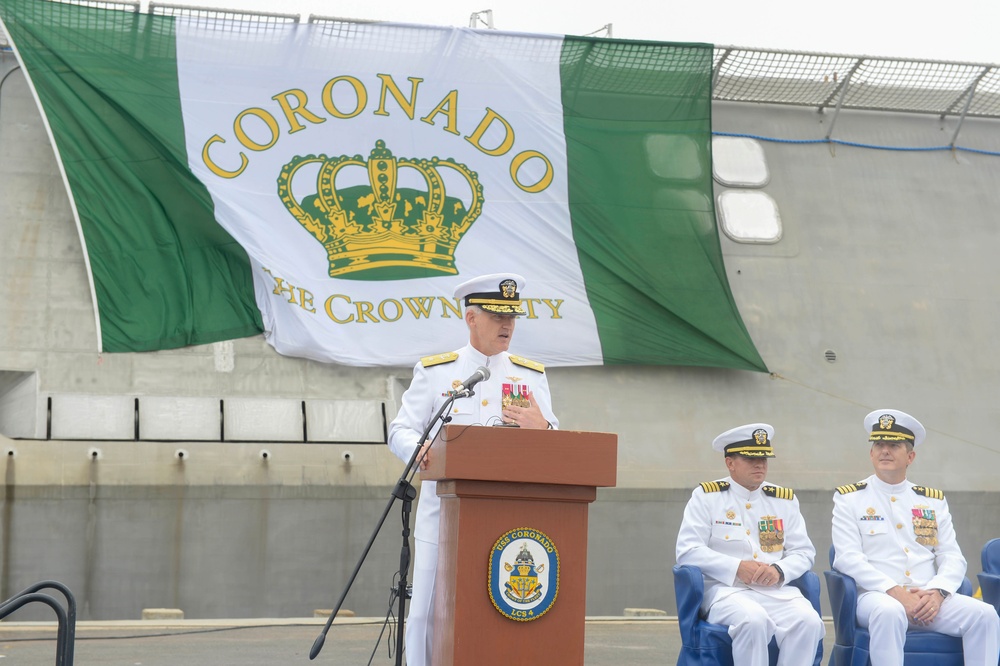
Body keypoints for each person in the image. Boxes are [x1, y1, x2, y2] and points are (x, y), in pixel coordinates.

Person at [387, 273, 558, 666]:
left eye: (512, 316)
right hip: (440, 516)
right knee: (426, 615)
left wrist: (544, 428)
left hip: (506, 522)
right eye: (498, 316)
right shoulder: (436, 372)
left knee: (494, 612)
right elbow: (400, 428)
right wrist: (419, 448)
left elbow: (557, 445)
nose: (508, 325)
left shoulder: (530, 376)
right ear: (471, 318)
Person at [831, 408, 1000, 665]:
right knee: (889, 613)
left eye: (894, 445)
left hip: (927, 597)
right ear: (871, 453)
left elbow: (952, 556)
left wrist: (938, 592)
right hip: (877, 596)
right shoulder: (850, 498)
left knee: (985, 615)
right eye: (879, 445)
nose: (885, 450)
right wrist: (896, 592)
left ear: (910, 456)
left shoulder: (931, 500)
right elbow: (847, 558)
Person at [676, 423, 825, 665]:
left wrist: (779, 570)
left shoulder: (783, 500)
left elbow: (804, 552)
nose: (760, 464)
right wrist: (736, 567)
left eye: (764, 459)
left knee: (808, 621)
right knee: (753, 620)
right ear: (730, 463)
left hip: (775, 591)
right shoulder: (706, 497)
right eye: (750, 458)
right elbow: (688, 551)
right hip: (725, 591)